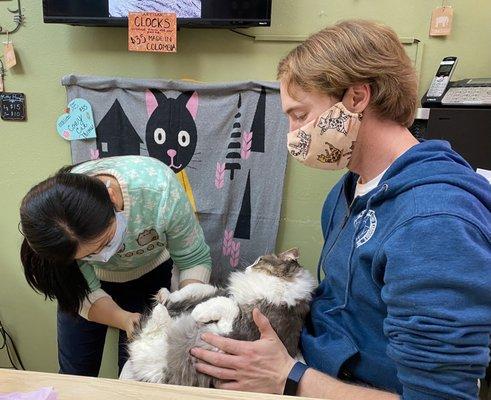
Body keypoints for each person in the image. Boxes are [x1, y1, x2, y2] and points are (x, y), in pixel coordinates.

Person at [190, 20, 491, 399]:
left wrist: (290, 377)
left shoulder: (435, 223)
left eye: (300, 116)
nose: (291, 134)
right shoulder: (346, 192)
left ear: (357, 98)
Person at [19, 155, 212, 377]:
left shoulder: (159, 190)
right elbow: (80, 294)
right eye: (89, 255)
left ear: (111, 196)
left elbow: (193, 258)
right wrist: (123, 319)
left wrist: (185, 308)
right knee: (75, 373)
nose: (103, 257)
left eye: (105, 242)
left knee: (139, 374)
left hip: (149, 275)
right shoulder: (53, 233)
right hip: (84, 285)